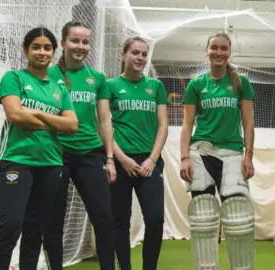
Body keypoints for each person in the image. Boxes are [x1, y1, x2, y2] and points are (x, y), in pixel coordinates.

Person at [20, 21, 117, 270]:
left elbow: (105, 121)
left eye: (85, 41)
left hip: (90, 154)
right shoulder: (47, 75)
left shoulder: (97, 79)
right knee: (53, 222)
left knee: (104, 217)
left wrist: (109, 158)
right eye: (75, 40)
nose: (80, 46)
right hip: (56, 154)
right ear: (62, 44)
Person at [0, 27, 78, 270]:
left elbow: (72, 126)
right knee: (10, 224)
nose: (41, 52)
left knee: (35, 228)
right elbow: (15, 115)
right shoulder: (14, 78)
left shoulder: (60, 89)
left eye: (47, 47)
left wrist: (37, 112)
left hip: (50, 164)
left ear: (53, 52)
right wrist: (53, 120)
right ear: (26, 50)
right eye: (36, 47)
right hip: (17, 160)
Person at [179, 32, 256, 270]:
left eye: (224, 48)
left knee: (238, 217)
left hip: (233, 153)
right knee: (202, 217)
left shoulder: (240, 82)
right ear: (207, 51)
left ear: (229, 52)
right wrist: (183, 158)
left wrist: (249, 155)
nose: (219, 52)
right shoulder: (196, 84)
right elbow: (187, 124)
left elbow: (248, 122)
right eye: (214, 47)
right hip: (200, 152)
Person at [108, 36, 169, 270]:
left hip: (149, 162)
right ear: (123, 55)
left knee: (155, 219)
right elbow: (103, 127)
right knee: (119, 221)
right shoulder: (111, 86)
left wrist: (152, 159)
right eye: (135, 53)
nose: (140, 58)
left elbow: (162, 125)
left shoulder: (155, 87)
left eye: (144, 54)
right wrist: (121, 159)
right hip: (121, 160)